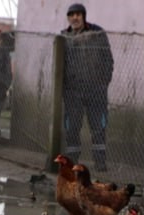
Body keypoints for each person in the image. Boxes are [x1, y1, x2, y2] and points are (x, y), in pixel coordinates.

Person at [61, 3, 113, 172]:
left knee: (98, 127)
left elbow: (108, 60)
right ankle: (72, 163)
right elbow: (59, 64)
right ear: (68, 18)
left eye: (78, 14)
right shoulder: (63, 37)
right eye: (71, 15)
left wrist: (103, 83)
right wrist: (64, 88)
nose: (75, 18)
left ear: (84, 16)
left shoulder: (97, 33)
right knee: (72, 128)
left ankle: (100, 163)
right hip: (72, 91)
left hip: (96, 90)